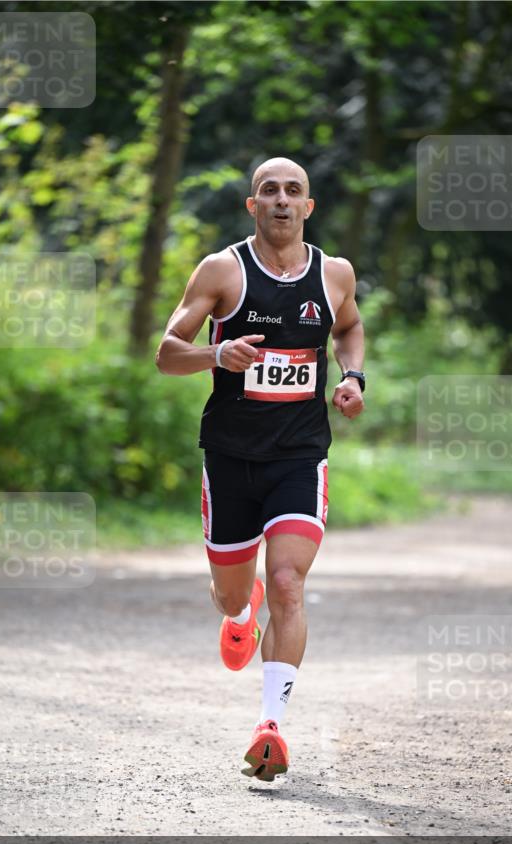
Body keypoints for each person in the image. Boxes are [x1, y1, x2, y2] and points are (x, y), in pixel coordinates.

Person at [156, 157, 365, 781]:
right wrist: (217, 352)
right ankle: (239, 612)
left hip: (300, 456)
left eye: (292, 191)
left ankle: (269, 725)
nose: (281, 199)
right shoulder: (222, 270)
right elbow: (167, 354)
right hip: (229, 457)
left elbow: (349, 330)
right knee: (230, 593)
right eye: (268, 190)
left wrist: (352, 377)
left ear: (309, 206)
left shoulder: (334, 274)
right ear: (252, 205)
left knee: (289, 584)